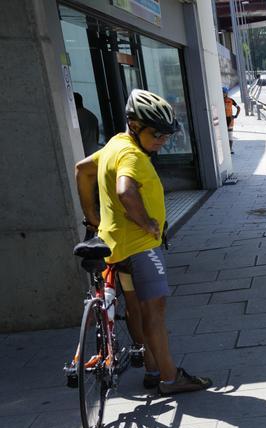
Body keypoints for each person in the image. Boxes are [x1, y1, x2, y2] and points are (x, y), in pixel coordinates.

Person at [73, 89, 213, 396]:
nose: (163, 140)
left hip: (116, 244)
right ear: (134, 126)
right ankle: (170, 377)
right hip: (140, 247)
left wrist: (91, 217)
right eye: (157, 134)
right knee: (155, 312)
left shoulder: (115, 145)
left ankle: (151, 369)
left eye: (167, 134)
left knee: (135, 309)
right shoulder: (132, 156)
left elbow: (82, 170)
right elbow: (125, 191)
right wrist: (147, 222)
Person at [222, 86, 240, 154]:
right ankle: (227, 149)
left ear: (226, 93)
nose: (223, 94)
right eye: (222, 92)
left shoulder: (231, 100)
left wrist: (236, 116)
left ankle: (230, 149)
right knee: (224, 135)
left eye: (224, 92)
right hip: (223, 119)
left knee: (230, 135)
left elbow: (238, 108)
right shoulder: (220, 100)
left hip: (229, 119)